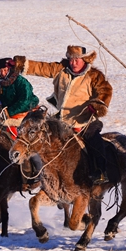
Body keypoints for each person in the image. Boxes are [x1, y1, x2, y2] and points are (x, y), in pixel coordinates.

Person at [13, 45, 113, 184]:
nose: (73, 62)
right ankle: (37, 173)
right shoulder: (61, 69)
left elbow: (104, 90)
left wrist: (97, 105)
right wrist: (21, 64)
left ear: (85, 59)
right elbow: (42, 68)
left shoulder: (94, 75)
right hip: (62, 120)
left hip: (85, 119)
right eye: (71, 59)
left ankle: (100, 171)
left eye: (77, 59)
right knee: (40, 137)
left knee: (94, 140)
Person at [0, 57, 40, 125]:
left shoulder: (21, 82)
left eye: (5, 70)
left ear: (10, 70)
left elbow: (25, 100)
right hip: (6, 114)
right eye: (0, 71)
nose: (2, 73)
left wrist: (8, 112)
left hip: (25, 112)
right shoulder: (0, 83)